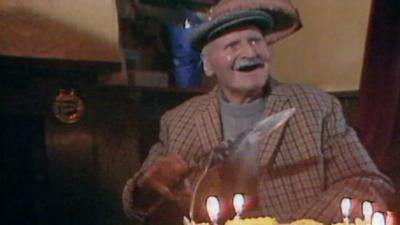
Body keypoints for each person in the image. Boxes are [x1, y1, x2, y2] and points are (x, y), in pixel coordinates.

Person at [123, 0, 396, 224]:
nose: (249, 52)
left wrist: (298, 223)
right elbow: (136, 205)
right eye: (232, 45)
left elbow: (369, 183)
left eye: (255, 41)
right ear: (207, 64)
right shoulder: (178, 120)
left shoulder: (317, 106)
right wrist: (148, 186)